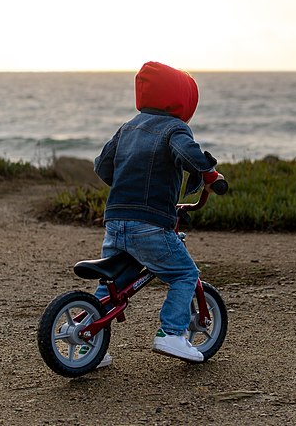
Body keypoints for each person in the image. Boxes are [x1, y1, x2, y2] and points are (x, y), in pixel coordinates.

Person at [91, 61, 224, 364]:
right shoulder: (175, 128)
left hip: (115, 220)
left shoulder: (128, 127)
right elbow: (186, 151)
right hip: (149, 223)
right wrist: (209, 174)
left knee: (114, 282)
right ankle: (172, 334)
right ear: (180, 98)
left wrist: (129, 187)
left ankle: (89, 344)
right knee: (183, 273)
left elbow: (102, 165)